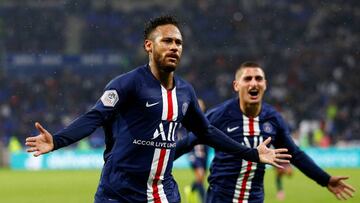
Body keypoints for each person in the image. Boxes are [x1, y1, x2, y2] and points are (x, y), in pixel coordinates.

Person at [25, 16, 291, 203]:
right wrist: (57, 140)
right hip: (118, 193)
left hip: (163, 193)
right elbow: (94, 117)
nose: (174, 47)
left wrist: (252, 154)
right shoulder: (127, 84)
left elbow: (206, 132)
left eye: (178, 42)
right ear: (149, 46)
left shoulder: (186, 92)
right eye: (167, 41)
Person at [175, 61, 355, 202]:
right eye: (247, 79)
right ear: (236, 85)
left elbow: (295, 155)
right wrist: (154, 163)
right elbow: (188, 142)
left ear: (265, 85)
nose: (254, 82)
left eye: (258, 78)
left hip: (254, 199)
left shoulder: (273, 119)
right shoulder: (218, 116)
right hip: (220, 199)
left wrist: (325, 179)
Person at [184, 99, 209, 203]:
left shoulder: (207, 118)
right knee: (200, 176)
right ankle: (204, 200)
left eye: (201, 105)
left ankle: (191, 189)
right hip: (194, 153)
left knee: (201, 178)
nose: (200, 107)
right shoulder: (190, 120)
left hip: (204, 153)